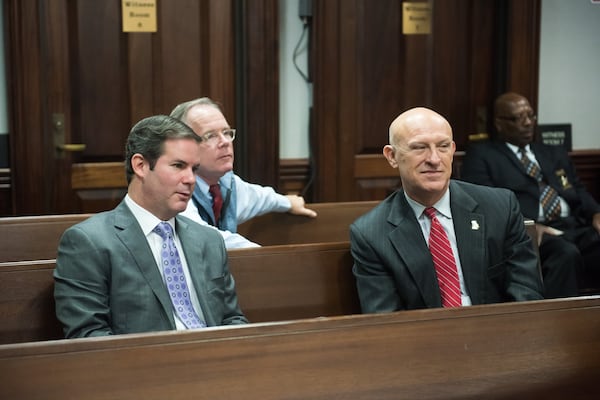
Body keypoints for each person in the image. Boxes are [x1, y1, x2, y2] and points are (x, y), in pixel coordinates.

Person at [54, 115, 248, 338]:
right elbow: (89, 337)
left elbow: (231, 319)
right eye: (178, 166)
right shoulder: (89, 242)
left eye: (194, 169)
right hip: (143, 368)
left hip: (216, 363)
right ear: (141, 165)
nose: (190, 179)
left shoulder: (208, 240)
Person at [350, 107, 543, 313]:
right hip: (425, 341)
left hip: (499, 335)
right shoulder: (371, 234)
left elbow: (526, 296)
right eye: (419, 147)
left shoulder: (500, 207)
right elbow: (387, 321)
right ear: (392, 156)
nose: (434, 159)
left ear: (452, 150)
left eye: (442, 146)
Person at [461, 92, 600, 296]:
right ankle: (557, 324)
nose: (528, 123)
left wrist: (596, 213)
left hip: (574, 225)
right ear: (499, 123)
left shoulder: (552, 152)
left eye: (531, 116)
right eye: (518, 118)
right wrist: (528, 227)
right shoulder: (483, 156)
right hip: (532, 232)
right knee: (565, 254)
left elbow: (577, 189)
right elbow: (483, 203)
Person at [170, 97, 317, 248]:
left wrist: (287, 202)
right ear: (183, 146)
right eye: (211, 135)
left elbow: (260, 198)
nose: (225, 142)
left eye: (226, 132)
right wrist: (263, 255)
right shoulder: (176, 185)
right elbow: (201, 236)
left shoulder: (226, 182)